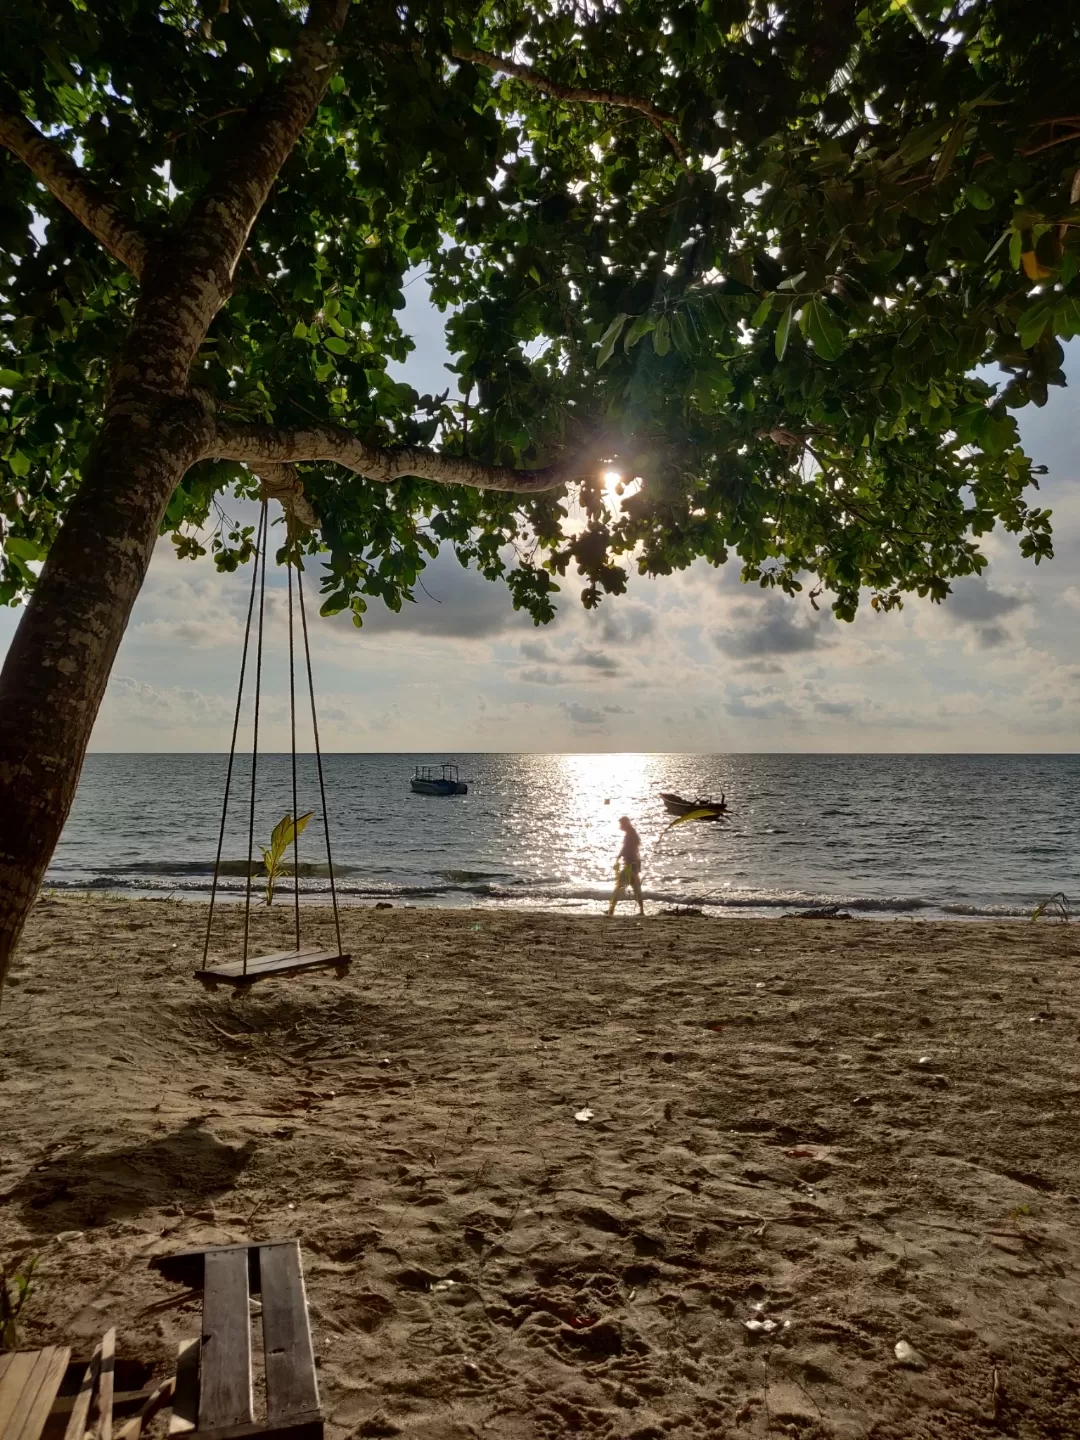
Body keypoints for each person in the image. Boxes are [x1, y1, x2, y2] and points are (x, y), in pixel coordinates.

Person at [609, 815, 645, 916]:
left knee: (619, 887)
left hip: (631, 865)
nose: (620, 826)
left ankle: (611, 910)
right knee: (636, 887)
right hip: (633, 865)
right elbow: (628, 848)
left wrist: (621, 855)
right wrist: (620, 855)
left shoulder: (630, 835)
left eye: (621, 824)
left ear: (625, 824)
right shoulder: (631, 834)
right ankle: (642, 910)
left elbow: (628, 849)